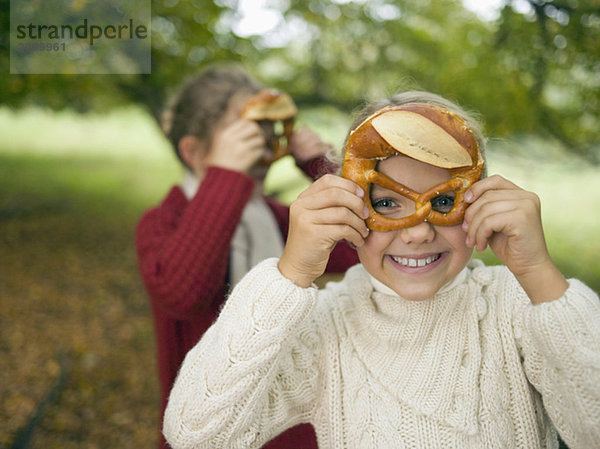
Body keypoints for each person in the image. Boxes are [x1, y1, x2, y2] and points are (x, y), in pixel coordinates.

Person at [162, 91, 600, 449]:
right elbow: (196, 432)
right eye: (386, 203)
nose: (417, 233)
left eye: (443, 202)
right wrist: (290, 273)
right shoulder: (325, 327)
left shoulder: (519, 307)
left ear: (480, 200)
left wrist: (539, 272)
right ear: (347, 208)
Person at [135, 64, 358, 449]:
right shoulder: (162, 222)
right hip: (208, 423)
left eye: (267, 131)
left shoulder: (273, 216)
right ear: (192, 151)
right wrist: (226, 175)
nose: (263, 145)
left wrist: (321, 168)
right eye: (244, 134)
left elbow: (365, 247)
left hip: (287, 420)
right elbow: (183, 294)